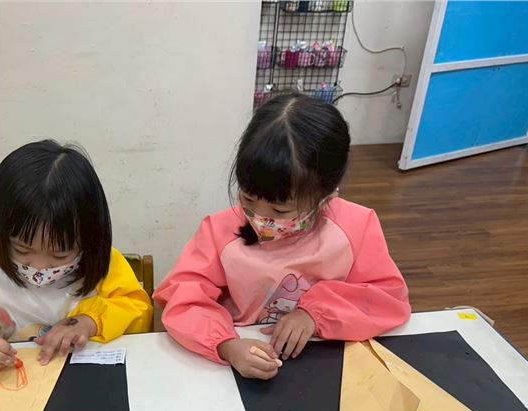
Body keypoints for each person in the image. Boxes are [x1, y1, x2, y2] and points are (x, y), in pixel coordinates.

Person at [154, 93, 410, 380]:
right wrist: (225, 345)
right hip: (239, 360)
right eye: (248, 199)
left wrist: (315, 315)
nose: (260, 217)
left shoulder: (356, 227)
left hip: (325, 362)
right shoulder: (219, 231)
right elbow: (182, 298)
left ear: (326, 197)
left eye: (279, 209)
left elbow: (388, 297)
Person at [0, 140, 152, 371]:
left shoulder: (105, 265)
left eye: (60, 255)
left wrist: (89, 322)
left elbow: (137, 310)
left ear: (90, 237)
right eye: (22, 250)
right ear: (1, 232)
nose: (39, 268)